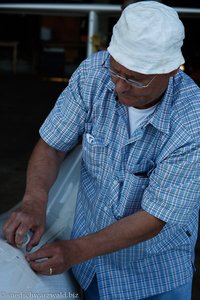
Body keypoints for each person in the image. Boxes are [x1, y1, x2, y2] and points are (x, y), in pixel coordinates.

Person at [3, 1, 200, 299]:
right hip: (90, 266)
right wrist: (33, 200)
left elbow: (155, 217)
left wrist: (74, 251)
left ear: (172, 70)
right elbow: (53, 145)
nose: (120, 87)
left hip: (154, 275)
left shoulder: (191, 120)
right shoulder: (93, 75)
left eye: (135, 78)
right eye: (115, 70)